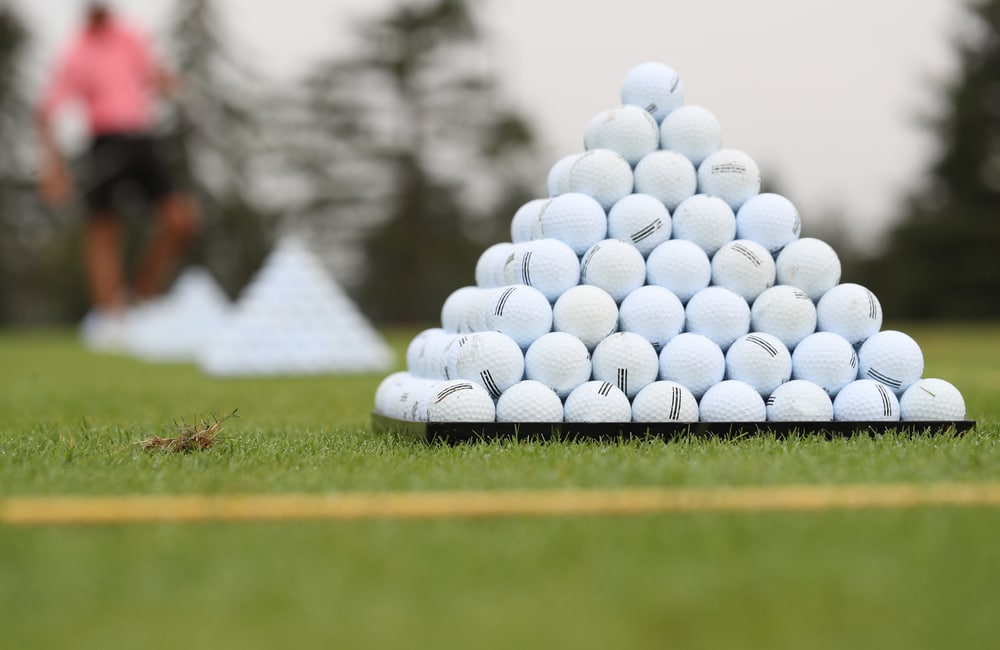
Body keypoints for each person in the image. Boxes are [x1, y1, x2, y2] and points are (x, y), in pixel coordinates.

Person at [35, 2, 198, 350]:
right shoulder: (75, 51)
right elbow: (47, 110)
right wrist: (53, 168)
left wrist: (169, 83)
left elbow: (153, 75)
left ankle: (142, 296)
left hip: (142, 138)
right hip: (104, 141)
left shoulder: (130, 36)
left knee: (179, 219)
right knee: (103, 230)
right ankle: (109, 319)